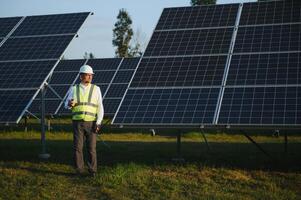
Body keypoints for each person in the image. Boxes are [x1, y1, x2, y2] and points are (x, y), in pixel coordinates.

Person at [64, 64, 104, 177]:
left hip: (91, 123)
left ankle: (93, 171)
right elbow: (65, 105)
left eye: (91, 75)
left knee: (91, 148)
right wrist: (69, 104)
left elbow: (100, 107)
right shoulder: (73, 89)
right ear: (81, 76)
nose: (90, 77)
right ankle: (79, 170)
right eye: (88, 75)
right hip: (77, 122)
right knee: (78, 147)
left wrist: (98, 123)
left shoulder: (96, 89)